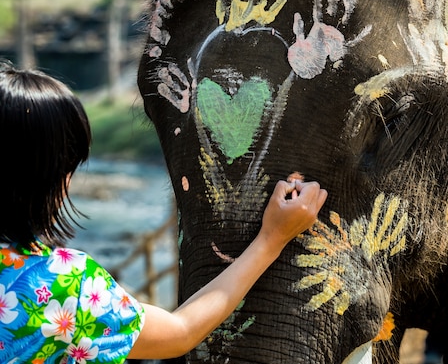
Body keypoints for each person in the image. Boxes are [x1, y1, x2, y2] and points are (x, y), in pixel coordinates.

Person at [0, 60, 327, 363]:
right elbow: (179, 332)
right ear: (44, 177)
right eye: (67, 166)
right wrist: (272, 238)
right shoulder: (63, 285)